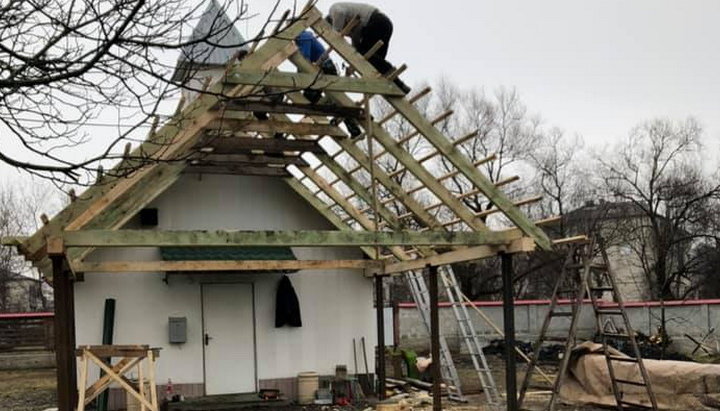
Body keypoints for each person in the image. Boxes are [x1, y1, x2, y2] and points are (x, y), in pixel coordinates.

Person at [326, 2, 411, 94]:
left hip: (376, 22)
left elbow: (340, 12)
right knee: (376, 64)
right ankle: (399, 85)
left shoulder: (334, 10)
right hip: (385, 24)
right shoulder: (350, 19)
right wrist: (355, 56)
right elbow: (356, 41)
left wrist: (335, 32)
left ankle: (395, 79)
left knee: (367, 56)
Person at [294, 30, 362, 137]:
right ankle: (349, 123)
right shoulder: (304, 37)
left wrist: (298, 79)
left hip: (325, 68)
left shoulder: (303, 37)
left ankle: (349, 120)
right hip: (323, 68)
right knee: (330, 98)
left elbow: (304, 59)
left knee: (316, 97)